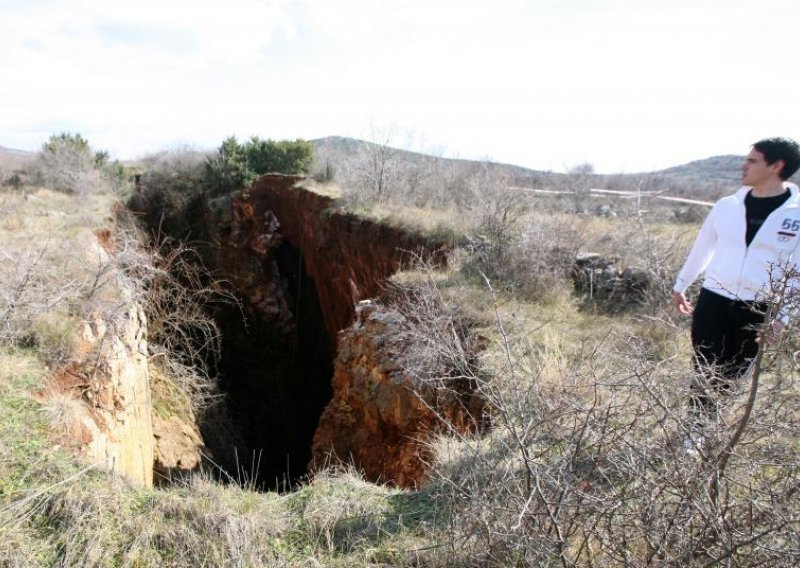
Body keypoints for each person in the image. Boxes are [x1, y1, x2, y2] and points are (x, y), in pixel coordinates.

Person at [672, 137, 800, 450]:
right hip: (714, 297)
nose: (744, 165)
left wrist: (783, 317)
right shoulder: (726, 206)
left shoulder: (796, 214)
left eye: (753, 160)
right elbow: (703, 247)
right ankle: (695, 432)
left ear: (777, 166)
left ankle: (708, 429)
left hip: (759, 306)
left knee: (734, 369)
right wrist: (681, 283)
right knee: (705, 363)